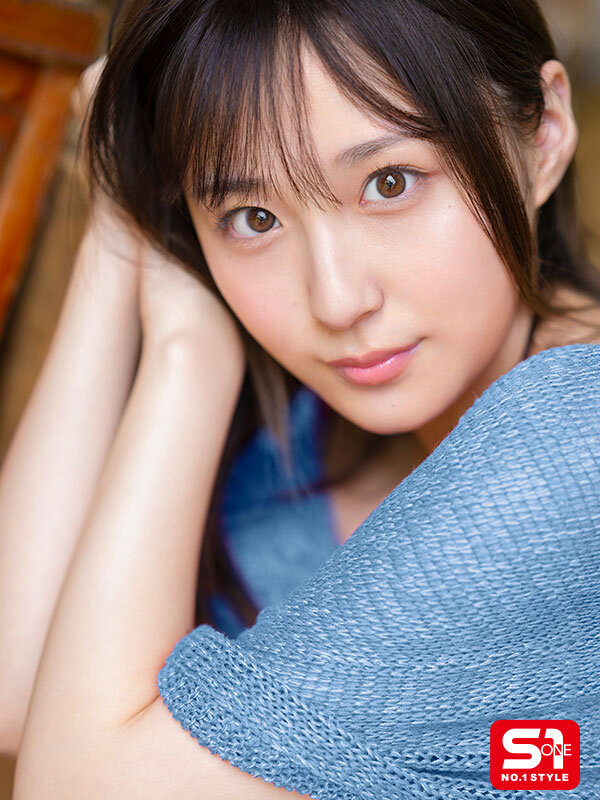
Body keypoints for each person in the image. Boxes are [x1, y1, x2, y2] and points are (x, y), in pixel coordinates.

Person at [1, 0, 599, 797]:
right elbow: (18, 690)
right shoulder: (300, 434)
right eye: (252, 218)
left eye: (390, 182)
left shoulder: (572, 434)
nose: (336, 301)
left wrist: (187, 357)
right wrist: (145, 265)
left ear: (544, 133)